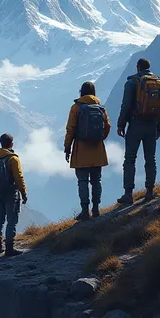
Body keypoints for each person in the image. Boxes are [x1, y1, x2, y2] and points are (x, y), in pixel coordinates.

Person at [117, 58, 160, 205]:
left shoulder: (132, 83)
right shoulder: (158, 82)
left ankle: (128, 194)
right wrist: (158, 127)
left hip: (136, 124)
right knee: (151, 159)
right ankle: (150, 191)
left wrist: (121, 124)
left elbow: (125, 105)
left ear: (137, 67)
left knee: (130, 159)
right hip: (151, 124)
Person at [64, 81, 111, 220]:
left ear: (81, 92)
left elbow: (70, 129)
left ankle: (85, 211)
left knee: (82, 181)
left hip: (81, 149)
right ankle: (96, 209)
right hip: (98, 150)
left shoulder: (76, 108)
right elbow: (107, 126)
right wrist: (100, 138)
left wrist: (67, 147)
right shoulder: (101, 107)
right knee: (96, 181)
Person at [0, 133, 28, 257]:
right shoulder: (13, 159)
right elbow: (19, 177)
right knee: (11, 221)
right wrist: (24, 193)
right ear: (11, 144)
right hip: (11, 193)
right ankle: (9, 248)